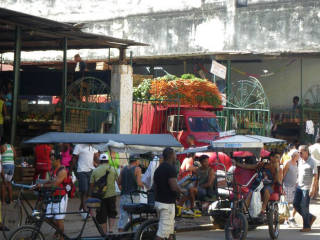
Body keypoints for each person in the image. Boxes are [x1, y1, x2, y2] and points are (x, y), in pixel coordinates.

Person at [232, 152, 282, 216]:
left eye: (279, 158)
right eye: (277, 157)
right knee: (251, 192)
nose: (278, 159)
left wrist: (277, 168)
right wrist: (237, 164)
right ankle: (243, 210)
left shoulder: (279, 169)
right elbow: (250, 166)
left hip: (269, 186)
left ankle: (262, 210)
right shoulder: (263, 164)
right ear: (271, 158)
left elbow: (279, 180)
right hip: (259, 184)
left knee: (266, 190)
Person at [153, 147, 187, 240]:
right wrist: (182, 191)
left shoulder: (158, 169)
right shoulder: (171, 169)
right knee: (162, 233)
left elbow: (155, 187)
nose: (176, 157)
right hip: (167, 205)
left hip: (159, 202)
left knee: (169, 233)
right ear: (172, 156)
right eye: (175, 154)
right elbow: (174, 187)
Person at [33, 154, 68, 240]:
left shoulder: (62, 171)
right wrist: (40, 184)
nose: (51, 162)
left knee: (58, 219)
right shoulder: (53, 170)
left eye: (52, 160)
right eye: (50, 160)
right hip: (52, 196)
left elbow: (55, 184)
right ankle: (58, 230)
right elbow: (51, 180)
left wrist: (42, 185)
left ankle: (62, 237)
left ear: (58, 160)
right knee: (47, 217)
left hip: (60, 197)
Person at [90, 154, 119, 234]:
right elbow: (118, 181)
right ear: (108, 161)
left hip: (99, 197)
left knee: (102, 215)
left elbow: (92, 185)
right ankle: (110, 230)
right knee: (112, 212)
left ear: (100, 161)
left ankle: (104, 234)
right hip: (111, 195)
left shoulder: (95, 170)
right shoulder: (113, 169)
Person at [69, 143, 99, 219]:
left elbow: (96, 157)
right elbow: (74, 159)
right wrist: (70, 171)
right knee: (84, 191)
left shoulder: (93, 146)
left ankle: (81, 208)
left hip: (91, 170)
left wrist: (101, 163)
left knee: (88, 192)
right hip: (81, 170)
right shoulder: (79, 145)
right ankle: (85, 211)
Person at [293, 145, 318, 232]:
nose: (299, 154)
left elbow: (315, 175)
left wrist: (313, 188)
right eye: (298, 152)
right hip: (299, 186)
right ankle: (310, 217)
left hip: (307, 187)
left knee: (304, 207)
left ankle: (306, 226)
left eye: (301, 152)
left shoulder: (312, 162)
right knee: (295, 204)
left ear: (306, 152)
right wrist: (297, 182)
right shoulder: (300, 160)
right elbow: (300, 172)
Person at [117, 153, 144, 232]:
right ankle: (136, 236)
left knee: (123, 217)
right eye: (139, 159)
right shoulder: (137, 169)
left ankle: (120, 235)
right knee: (135, 218)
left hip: (124, 196)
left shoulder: (124, 169)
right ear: (136, 160)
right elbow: (139, 183)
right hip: (133, 197)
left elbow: (119, 181)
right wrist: (143, 186)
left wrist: (121, 186)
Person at [282, 149, 299, 226]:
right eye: (298, 155)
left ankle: (291, 217)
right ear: (294, 155)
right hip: (287, 186)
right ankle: (286, 220)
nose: (299, 156)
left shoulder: (296, 163)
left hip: (294, 186)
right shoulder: (287, 163)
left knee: (296, 203)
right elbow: (283, 175)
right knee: (287, 203)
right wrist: (282, 187)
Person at [1, 138, 17, 204]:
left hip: (4, 166)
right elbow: (15, 157)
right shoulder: (12, 147)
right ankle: (10, 200)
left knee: (3, 184)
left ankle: (3, 201)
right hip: (12, 166)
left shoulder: (2, 147)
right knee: (9, 183)